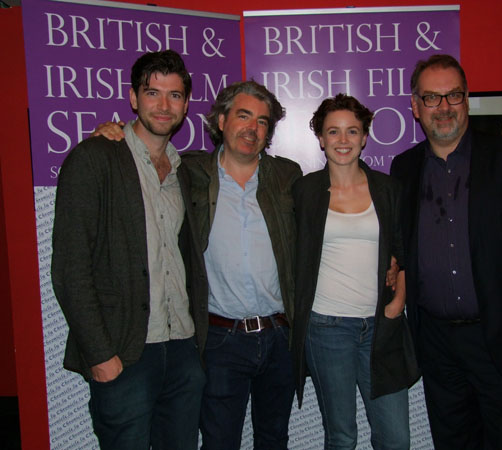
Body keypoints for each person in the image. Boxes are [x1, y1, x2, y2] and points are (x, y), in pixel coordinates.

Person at [390, 54, 502, 449]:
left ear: (467, 99)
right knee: (453, 441)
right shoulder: (403, 168)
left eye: (453, 95)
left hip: (501, 333)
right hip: (436, 343)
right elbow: (401, 245)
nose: (443, 108)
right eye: (432, 98)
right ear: (415, 106)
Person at [51, 50, 207, 450]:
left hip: (182, 349)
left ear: (186, 104)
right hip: (125, 354)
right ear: (134, 98)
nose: (163, 105)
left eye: (174, 95)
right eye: (152, 93)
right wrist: (100, 354)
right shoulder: (94, 159)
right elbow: (70, 268)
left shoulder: (184, 172)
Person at [292, 94, 420, 450]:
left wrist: (399, 303)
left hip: (381, 327)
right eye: (333, 132)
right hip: (327, 329)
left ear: (365, 137)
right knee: (342, 436)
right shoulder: (305, 191)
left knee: (395, 439)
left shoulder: (387, 188)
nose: (343, 140)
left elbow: (403, 251)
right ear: (320, 138)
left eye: (352, 131)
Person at [181, 81, 302, 450]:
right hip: (220, 340)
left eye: (263, 122)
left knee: (273, 439)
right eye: (243, 116)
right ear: (220, 120)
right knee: (219, 441)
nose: (252, 128)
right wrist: (114, 134)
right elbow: (142, 153)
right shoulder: (187, 173)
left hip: (280, 336)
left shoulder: (288, 176)